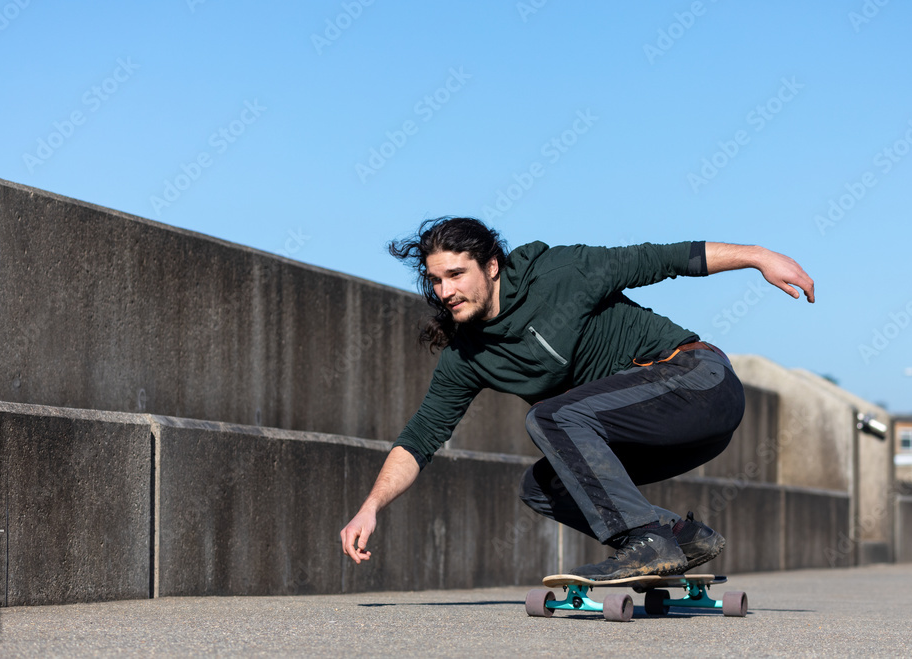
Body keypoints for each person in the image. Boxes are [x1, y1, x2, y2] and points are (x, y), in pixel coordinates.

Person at [340, 217, 815, 579]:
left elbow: (661, 258)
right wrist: (370, 506)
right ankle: (680, 538)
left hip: (699, 381)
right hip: (655, 434)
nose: (445, 291)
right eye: (436, 280)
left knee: (552, 418)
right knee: (542, 487)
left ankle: (648, 543)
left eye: (456, 275)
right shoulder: (467, 356)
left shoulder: (561, 272)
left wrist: (757, 256)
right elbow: (422, 437)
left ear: (490, 266)